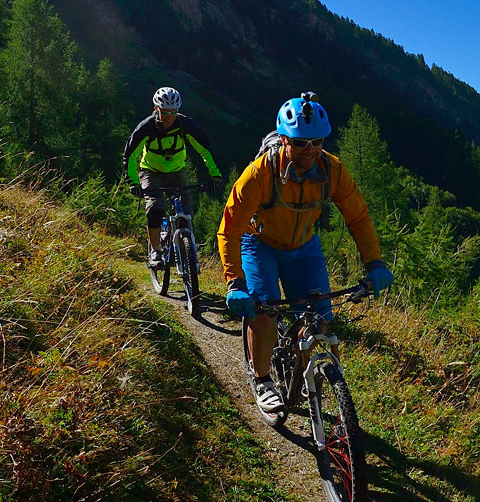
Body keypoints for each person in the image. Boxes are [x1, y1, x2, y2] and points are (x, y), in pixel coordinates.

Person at [216, 92, 393, 413]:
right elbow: (230, 228)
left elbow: (358, 217)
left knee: (321, 321)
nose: (309, 150)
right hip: (259, 244)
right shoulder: (259, 174)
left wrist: (375, 263)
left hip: (304, 247)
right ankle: (262, 378)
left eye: (316, 142)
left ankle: (306, 374)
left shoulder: (332, 170)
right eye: (299, 143)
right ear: (284, 140)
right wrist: (234, 283)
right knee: (265, 310)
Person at [123, 86, 224, 267]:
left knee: (186, 213)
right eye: (165, 112)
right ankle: (155, 251)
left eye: (173, 112)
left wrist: (215, 175)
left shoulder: (186, 125)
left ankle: (189, 254)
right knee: (155, 208)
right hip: (150, 171)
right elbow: (130, 155)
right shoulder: (146, 128)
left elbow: (205, 150)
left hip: (177, 171)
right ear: (156, 109)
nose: (169, 116)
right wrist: (133, 182)